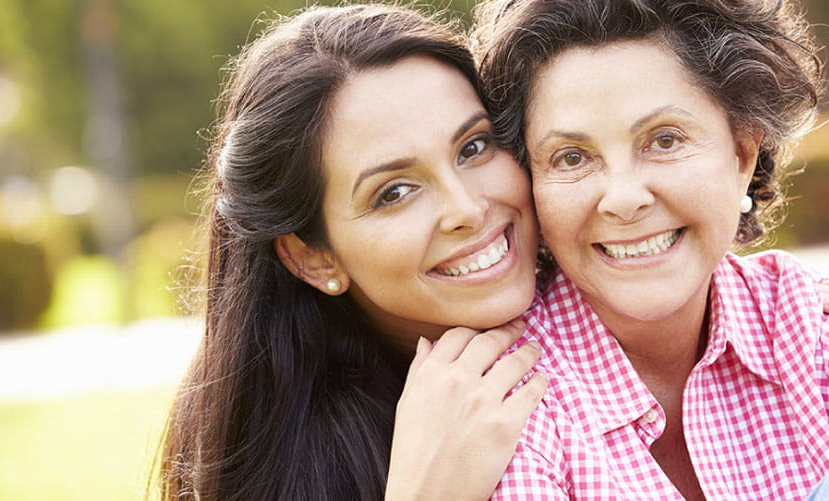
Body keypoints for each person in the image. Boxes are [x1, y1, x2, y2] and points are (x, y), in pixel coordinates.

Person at [472, 0, 829, 499]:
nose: (622, 199)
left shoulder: (810, 324)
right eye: (571, 157)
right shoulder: (506, 396)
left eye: (664, 140)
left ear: (742, 154)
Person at [157, 5, 548, 500]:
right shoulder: (294, 473)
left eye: (473, 147)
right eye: (394, 192)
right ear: (312, 259)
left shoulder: (619, 310)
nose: (466, 208)